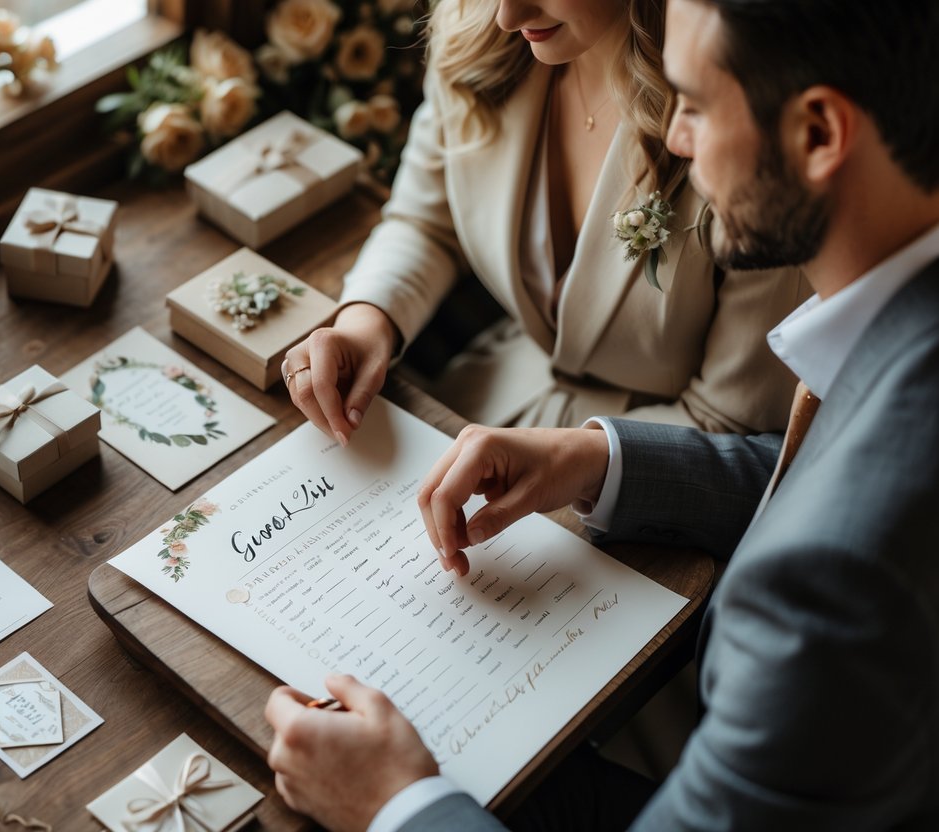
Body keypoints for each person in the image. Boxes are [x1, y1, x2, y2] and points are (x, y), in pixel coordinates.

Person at [265, 0, 939, 829]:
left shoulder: (824, 590)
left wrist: (395, 804)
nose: (677, 141)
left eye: (690, 103)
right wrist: (599, 461)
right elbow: (801, 466)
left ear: (817, 135)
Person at [282, 0, 808, 444]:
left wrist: (571, 463)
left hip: (654, 478)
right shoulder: (476, 33)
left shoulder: (743, 127)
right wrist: (365, 323)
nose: (508, 16)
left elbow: (735, 419)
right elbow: (426, 222)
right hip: (480, 404)